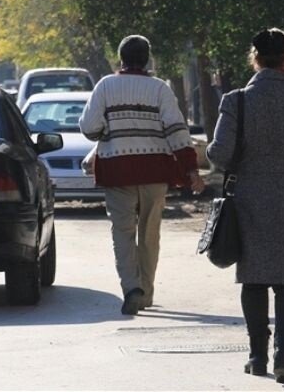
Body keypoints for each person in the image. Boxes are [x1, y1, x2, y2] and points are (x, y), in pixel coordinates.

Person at [206, 28, 284, 384]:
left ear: (255, 59)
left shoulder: (236, 101)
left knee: (255, 278)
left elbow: (219, 154)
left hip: (251, 198)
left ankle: (257, 355)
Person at [79, 35, 204, 316]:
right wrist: (191, 170)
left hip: (117, 170)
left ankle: (131, 288)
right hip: (154, 171)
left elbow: (89, 127)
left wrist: (105, 129)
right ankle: (146, 292)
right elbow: (177, 130)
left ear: (120, 59)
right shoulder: (159, 89)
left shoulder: (106, 86)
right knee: (149, 234)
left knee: (122, 233)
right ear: (147, 59)